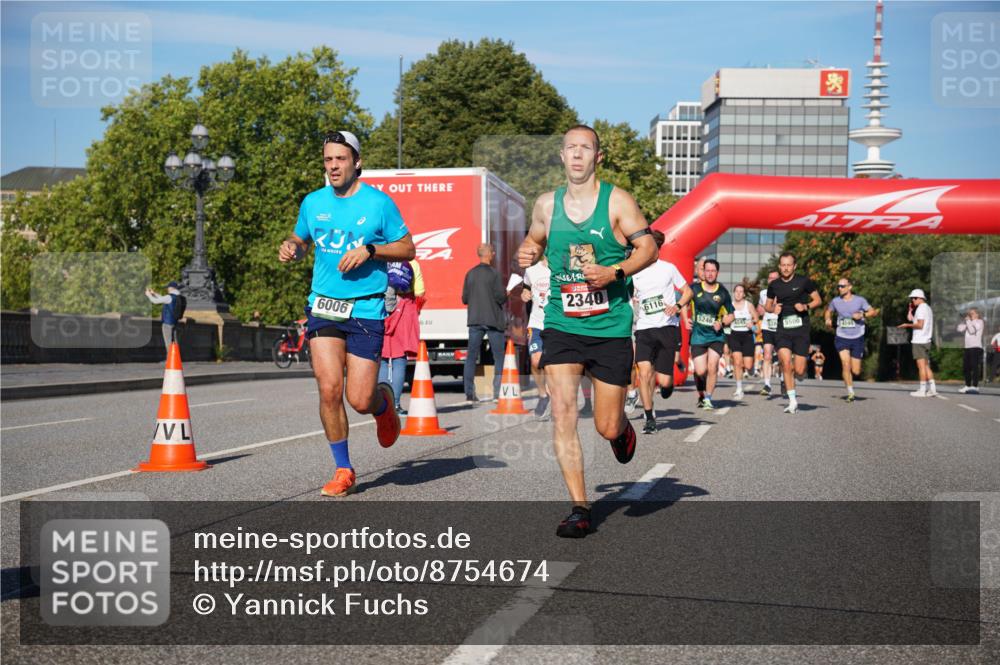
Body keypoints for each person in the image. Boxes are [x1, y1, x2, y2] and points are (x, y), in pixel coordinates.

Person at [517, 124, 657, 538]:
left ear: (598, 157)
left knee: (606, 426)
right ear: (561, 156)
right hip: (562, 322)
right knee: (562, 411)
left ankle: (622, 431)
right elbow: (533, 242)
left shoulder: (617, 201)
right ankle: (580, 506)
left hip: (611, 326)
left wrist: (616, 270)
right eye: (570, 148)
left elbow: (648, 247)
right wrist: (528, 250)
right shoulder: (546, 205)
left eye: (586, 149)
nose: (577, 155)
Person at [279, 130, 415, 497]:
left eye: (340, 159)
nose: (333, 166)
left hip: (366, 307)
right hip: (323, 305)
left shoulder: (379, 204)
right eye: (328, 160)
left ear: (357, 162)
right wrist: (292, 247)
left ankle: (382, 403)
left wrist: (371, 250)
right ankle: (343, 469)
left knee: (358, 398)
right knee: (328, 389)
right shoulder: (312, 202)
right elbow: (302, 239)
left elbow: (408, 248)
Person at [630, 230, 693, 434]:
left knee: (664, 380)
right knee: (645, 373)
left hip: (667, 327)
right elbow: (629, 296)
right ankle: (649, 418)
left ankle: (667, 385)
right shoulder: (635, 272)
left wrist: (677, 305)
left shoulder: (668, 268)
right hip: (644, 328)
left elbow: (688, 291)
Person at [764, 252, 822, 414]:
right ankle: (792, 400)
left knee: (800, 370)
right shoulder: (774, 285)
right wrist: (773, 308)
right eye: (783, 265)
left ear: (794, 266)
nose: (786, 268)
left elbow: (818, 300)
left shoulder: (804, 281)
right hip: (782, 330)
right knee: (786, 363)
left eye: (789, 265)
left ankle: (802, 374)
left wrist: (806, 307)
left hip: (801, 330)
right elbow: (767, 306)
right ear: (779, 266)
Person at [462, 244, 507, 403]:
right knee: (499, 357)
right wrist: (507, 292)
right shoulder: (494, 274)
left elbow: (464, 299)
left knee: (471, 356)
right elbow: (500, 298)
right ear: (490, 255)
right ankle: (497, 393)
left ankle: (469, 394)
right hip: (493, 321)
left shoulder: (470, 274)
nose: (494, 254)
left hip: (474, 320)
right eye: (493, 252)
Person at [687, 259, 734, 411]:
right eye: (707, 270)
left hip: (716, 336)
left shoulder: (722, 292)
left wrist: (722, 322)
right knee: (700, 371)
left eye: (713, 271)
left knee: (712, 366)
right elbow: (682, 304)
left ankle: (708, 398)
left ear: (717, 273)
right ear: (703, 271)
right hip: (698, 335)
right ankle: (701, 393)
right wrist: (685, 319)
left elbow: (731, 315)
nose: (710, 273)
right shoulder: (694, 288)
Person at [824, 277, 878, 402]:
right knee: (845, 364)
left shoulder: (860, 300)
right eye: (838, 286)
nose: (840, 288)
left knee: (856, 370)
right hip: (841, 336)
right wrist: (827, 319)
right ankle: (850, 391)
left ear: (850, 287)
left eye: (842, 286)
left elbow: (873, 312)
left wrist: (862, 315)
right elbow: (828, 311)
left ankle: (852, 384)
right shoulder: (836, 301)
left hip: (857, 337)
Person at [379, 261, 420, 413]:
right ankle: (395, 404)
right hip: (404, 312)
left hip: (381, 312)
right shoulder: (412, 264)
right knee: (399, 360)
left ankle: (383, 403)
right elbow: (420, 290)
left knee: (382, 360)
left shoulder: (381, 261)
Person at [522, 255, 552, 417]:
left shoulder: (563, 268)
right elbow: (525, 288)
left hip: (556, 324)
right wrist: (524, 294)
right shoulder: (531, 271)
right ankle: (543, 394)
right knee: (536, 361)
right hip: (537, 324)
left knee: (552, 365)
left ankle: (553, 396)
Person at [897, 288, 936, 397]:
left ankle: (922, 390)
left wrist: (906, 325)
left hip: (919, 341)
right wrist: (910, 311)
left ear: (920, 298)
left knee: (921, 367)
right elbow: (914, 320)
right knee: (926, 366)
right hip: (926, 339)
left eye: (913, 298)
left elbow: (920, 325)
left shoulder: (921, 309)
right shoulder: (927, 308)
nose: (912, 300)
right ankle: (932, 389)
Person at [726, 280, 759, 400]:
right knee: (737, 362)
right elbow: (724, 319)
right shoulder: (729, 305)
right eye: (737, 291)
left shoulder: (748, 305)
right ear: (734, 293)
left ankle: (751, 370)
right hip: (734, 335)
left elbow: (756, 317)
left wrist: (752, 322)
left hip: (747, 336)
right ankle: (739, 388)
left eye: (741, 292)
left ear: (744, 294)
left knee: (748, 365)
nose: (739, 294)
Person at [145, 281, 185, 357]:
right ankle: (176, 358)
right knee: (175, 342)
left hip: (167, 323)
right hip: (175, 322)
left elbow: (155, 301)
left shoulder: (169, 297)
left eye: (168, 287)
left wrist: (149, 295)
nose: (167, 289)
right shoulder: (178, 297)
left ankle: (170, 360)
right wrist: (154, 293)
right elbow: (163, 299)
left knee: (168, 342)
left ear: (171, 288)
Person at [756, 271, 780, 396]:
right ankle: (767, 384)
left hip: (781, 327)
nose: (772, 280)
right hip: (767, 328)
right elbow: (759, 308)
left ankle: (783, 380)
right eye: (770, 278)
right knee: (767, 355)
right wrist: (757, 313)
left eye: (774, 278)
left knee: (783, 357)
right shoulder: (763, 293)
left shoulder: (784, 292)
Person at [957, 308, 985, 394]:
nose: (970, 315)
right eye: (969, 314)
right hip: (967, 347)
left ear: (977, 314)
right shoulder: (969, 322)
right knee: (966, 367)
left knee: (974, 367)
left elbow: (972, 331)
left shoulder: (979, 322)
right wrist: (965, 321)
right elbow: (959, 329)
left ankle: (975, 386)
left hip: (976, 347)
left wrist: (968, 322)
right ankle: (968, 385)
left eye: (972, 313)